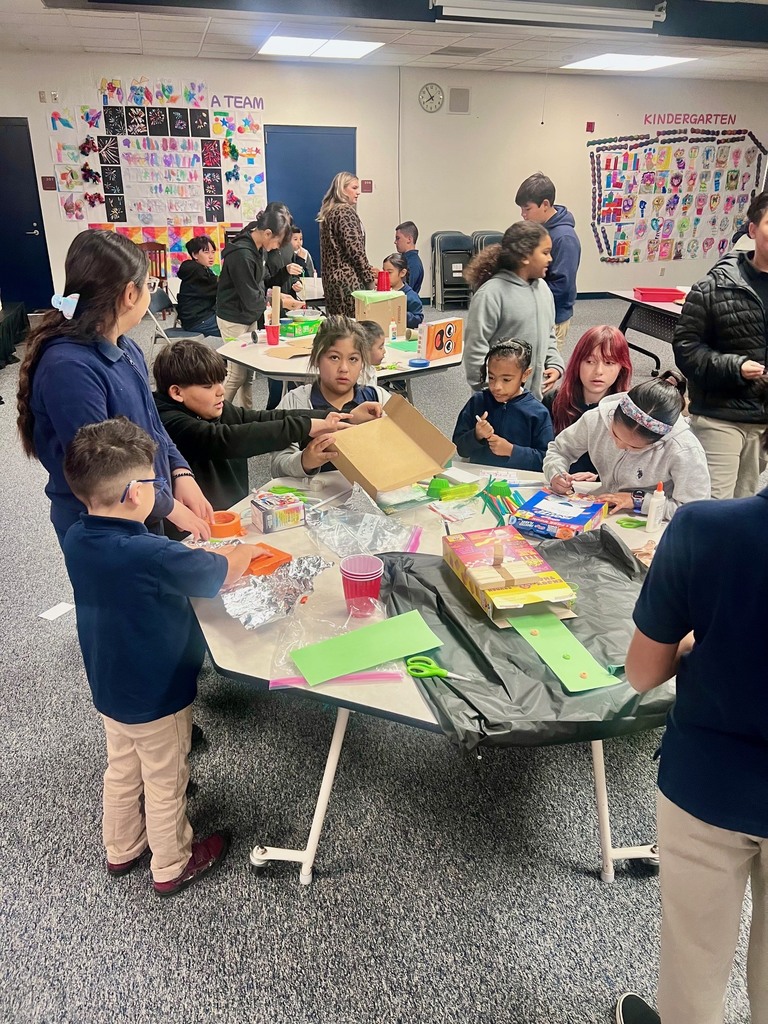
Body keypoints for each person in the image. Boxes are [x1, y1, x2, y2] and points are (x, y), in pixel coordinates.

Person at [62, 417, 262, 897]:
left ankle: (122, 847)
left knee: (122, 767)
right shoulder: (152, 554)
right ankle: (172, 862)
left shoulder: (76, 538)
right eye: (154, 483)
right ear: (135, 493)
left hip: (110, 683)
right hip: (159, 689)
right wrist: (246, 550)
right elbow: (221, 572)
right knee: (167, 776)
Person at [613, 433, 768, 1024]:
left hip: (708, 785)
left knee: (694, 961)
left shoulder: (705, 528)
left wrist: (695, 641)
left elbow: (642, 673)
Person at [16, 229, 212, 546]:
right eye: (148, 286)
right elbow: (105, 468)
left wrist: (180, 472)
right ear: (130, 295)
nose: (150, 294)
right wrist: (170, 506)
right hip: (105, 529)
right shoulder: (69, 369)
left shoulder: (126, 346)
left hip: (144, 505)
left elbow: (151, 424)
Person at [153, 338, 363, 510]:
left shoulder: (214, 407)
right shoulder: (168, 422)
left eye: (220, 381)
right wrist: (306, 427)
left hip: (230, 513)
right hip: (191, 532)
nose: (221, 391)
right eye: (209, 386)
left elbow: (263, 418)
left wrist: (338, 416)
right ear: (176, 392)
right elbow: (228, 439)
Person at [672, 190, 768, 500]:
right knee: (711, 504)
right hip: (721, 413)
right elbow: (686, 348)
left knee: (747, 504)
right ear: (753, 230)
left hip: (764, 420)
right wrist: (735, 367)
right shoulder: (714, 286)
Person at [543, 377, 710, 519]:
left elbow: (693, 512)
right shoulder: (597, 418)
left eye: (634, 447)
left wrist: (638, 501)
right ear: (613, 414)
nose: (619, 445)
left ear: (658, 440)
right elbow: (559, 450)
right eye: (614, 434)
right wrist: (556, 473)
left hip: (652, 522)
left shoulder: (683, 450)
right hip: (603, 509)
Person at [271, 316, 387, 479]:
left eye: (353, 359)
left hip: (371, 496)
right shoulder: (295, 402)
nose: (344, 368)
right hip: (314, 499)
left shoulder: (379, 399)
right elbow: (277, 467)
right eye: (334, 357)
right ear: (317, 359)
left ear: (363, 363)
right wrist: (305, 460)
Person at [463, 221, 564, 399]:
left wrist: (555, 364)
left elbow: (549, 334)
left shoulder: (543, 289)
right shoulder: (491, 294)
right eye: (545, 253)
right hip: (497, 399)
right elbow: (475, 349)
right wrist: (491, 388)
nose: (550, 259)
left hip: (531, 399)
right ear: (525, 256)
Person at [216, 205, 291, 409]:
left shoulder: (257, 249)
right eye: (276, 241)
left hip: (247, 316)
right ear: (267, 233)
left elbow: (260, 284)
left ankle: (244, 414)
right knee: (236, 374)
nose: (276, 247)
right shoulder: (242, 255)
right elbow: (250, 296)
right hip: (233, 318)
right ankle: (214, 415)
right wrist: (279, 301)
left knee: (247, 374)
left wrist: (275, 295)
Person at [452, 339, 553, 471]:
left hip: (521, 483)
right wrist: (476, 435)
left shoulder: (538, 413)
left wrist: (512, 451)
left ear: (525, 375)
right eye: (492, 377)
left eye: (506, 380)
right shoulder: (478, 402)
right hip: (479, 477)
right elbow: (460, 449)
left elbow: (547, 459)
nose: (497, 387)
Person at [544, 325, 633, 474]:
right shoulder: (553, 401)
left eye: (609, 363)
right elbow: (544, 453)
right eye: (590, 362)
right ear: (577, 364)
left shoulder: (629, 411)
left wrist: (600, 480)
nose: (598, 371)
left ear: (621, 368)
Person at [515, 172, 581, 347]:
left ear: (545, 204)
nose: (523, 214)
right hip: (535, 313)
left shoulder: (564, 238)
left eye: (527, 208)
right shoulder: (541, 230)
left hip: (553, 318)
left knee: (545, 368)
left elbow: (562, 287)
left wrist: (525, 297)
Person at [317, 172, 376, 317]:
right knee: (352, 328)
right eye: (354, 188)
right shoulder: (344, 212)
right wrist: (369, 279)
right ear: (342, 189)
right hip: (348, 281)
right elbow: (355, 251)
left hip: (332, 280)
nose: (358, 192)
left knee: (338, 327)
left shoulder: (330, 212)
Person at [176, 235, 220, 337]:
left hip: (199, 316)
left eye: (213, 252)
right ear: (195, 255)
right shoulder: (196, 271)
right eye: (206, 252)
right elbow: (218, 286)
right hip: (198, 320)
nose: (211, 256)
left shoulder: (202, 269)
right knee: (234, 326)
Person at [382, 252, 424, 329]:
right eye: (383, 271)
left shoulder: (410, 296)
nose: (385, 275)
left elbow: (418, 319)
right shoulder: (384, 292)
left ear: (402, 273)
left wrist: (401, 313)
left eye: (389, 272)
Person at [394, 220, 424, 294]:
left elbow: (405, 290)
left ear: (409, 239)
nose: (395, 242)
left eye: (398, 238)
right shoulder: (406, 260)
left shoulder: (413, 263)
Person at [357, 320, 387, 386]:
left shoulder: (370, 369)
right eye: (380, 347)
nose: (384, 351)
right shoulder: (358, 378)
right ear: (365, 349)